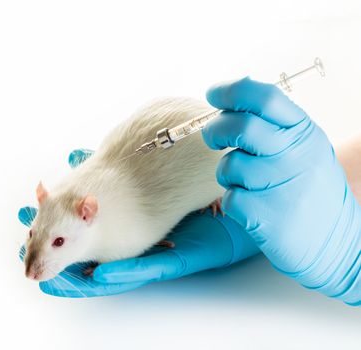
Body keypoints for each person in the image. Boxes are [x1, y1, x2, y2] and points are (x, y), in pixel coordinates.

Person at [18, 78, 361, 305]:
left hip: (200, 153)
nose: (32, 270)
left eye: (59, 242)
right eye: (35, 232)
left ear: (87, 213)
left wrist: (348, 256)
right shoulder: (71, 196)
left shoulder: (107, 220)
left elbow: (134, 240)